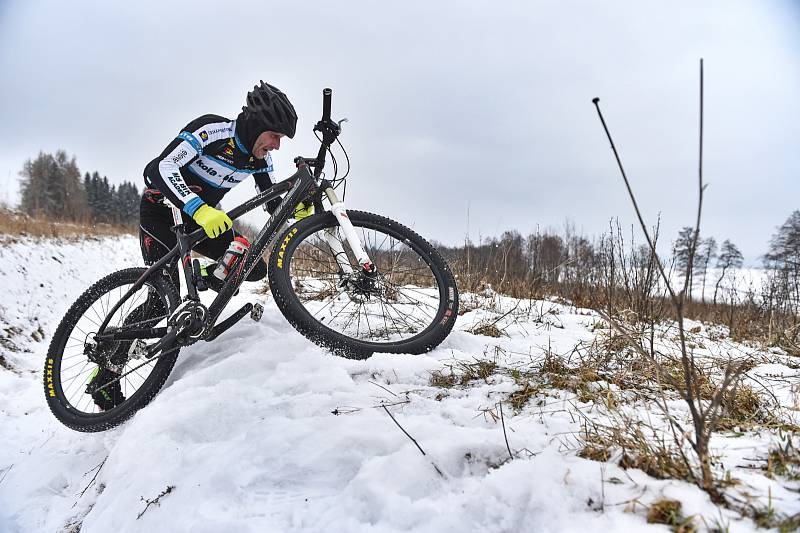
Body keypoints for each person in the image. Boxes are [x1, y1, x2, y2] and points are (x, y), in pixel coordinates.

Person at [86, 81, 308, 410]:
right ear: (259, 124)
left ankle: (205, 278)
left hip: (198, 218)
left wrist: (303, 206)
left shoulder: (258, 158)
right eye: (275, 136)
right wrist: (197, 207)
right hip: (162, 212)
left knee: (249, 266)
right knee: (164, 297)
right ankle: (104, 375)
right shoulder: (212, 131)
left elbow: (273, 201)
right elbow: (159, 168)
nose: (276, 145)